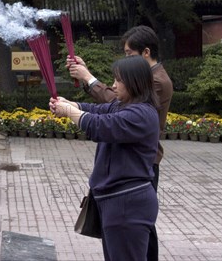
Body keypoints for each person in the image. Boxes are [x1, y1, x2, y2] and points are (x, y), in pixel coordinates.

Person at [67, 25, 172, 261]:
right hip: (118, 195)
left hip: (129, 192)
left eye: (128, 55)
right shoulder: (128, 102)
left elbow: (102, 124)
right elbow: (102, 109)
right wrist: (74, 105)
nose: (114, 85)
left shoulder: (144, 104)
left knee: (135, 247)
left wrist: (77, 98)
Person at [51, 56, 159, 261]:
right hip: (115, 201)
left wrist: (69, 112)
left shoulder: (142, 114)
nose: (113, 85)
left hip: (128, 203)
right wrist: (69, 104)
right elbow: (95, 110)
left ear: (135, 82)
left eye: (118, 81)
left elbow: (100, 126)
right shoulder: (122, 105)